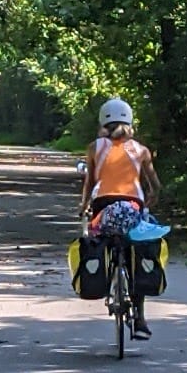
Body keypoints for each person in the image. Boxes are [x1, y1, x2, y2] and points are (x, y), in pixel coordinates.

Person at [81, 98, 161, 322]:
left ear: (103, 122)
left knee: (101, 239)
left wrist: (84, 205)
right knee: (136, 249)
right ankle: (141, 316)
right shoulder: (141, 150)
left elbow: (89, 183)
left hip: (102, 205)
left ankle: (106, 279)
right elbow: (154, 183)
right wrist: (153, 196)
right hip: (133, 205)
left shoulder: (95, 147)